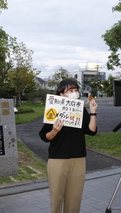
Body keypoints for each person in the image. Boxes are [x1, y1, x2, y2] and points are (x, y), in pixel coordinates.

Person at [39, 79, 98, 213]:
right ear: (61, 94)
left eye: (76, 90)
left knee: (75, 198)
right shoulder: (53, 109)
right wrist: (54, 131)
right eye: (70, 90)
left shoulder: (80, 109)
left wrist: (93, 112)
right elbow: (44, 136)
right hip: (57, 159)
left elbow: (91, 131)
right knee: (57, 197)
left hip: (78, 158)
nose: (74, 93)